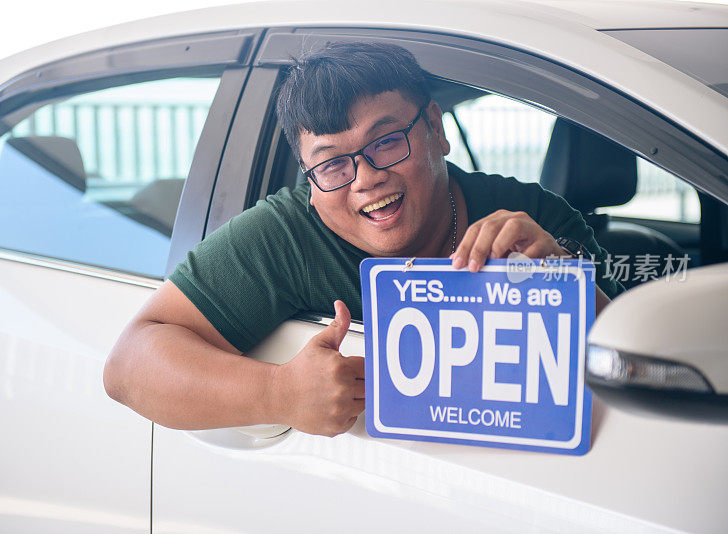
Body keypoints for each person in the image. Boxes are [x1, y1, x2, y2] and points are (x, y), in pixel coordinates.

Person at [104, 42, 623, 437]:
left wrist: (563, 281)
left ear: (436, 131)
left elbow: (635, 368)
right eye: (331, 164)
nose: (365, 177)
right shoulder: (287, 235)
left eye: (387, 141)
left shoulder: (533, 220)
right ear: (309, 182)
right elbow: (129, 365)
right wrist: (278, 393)